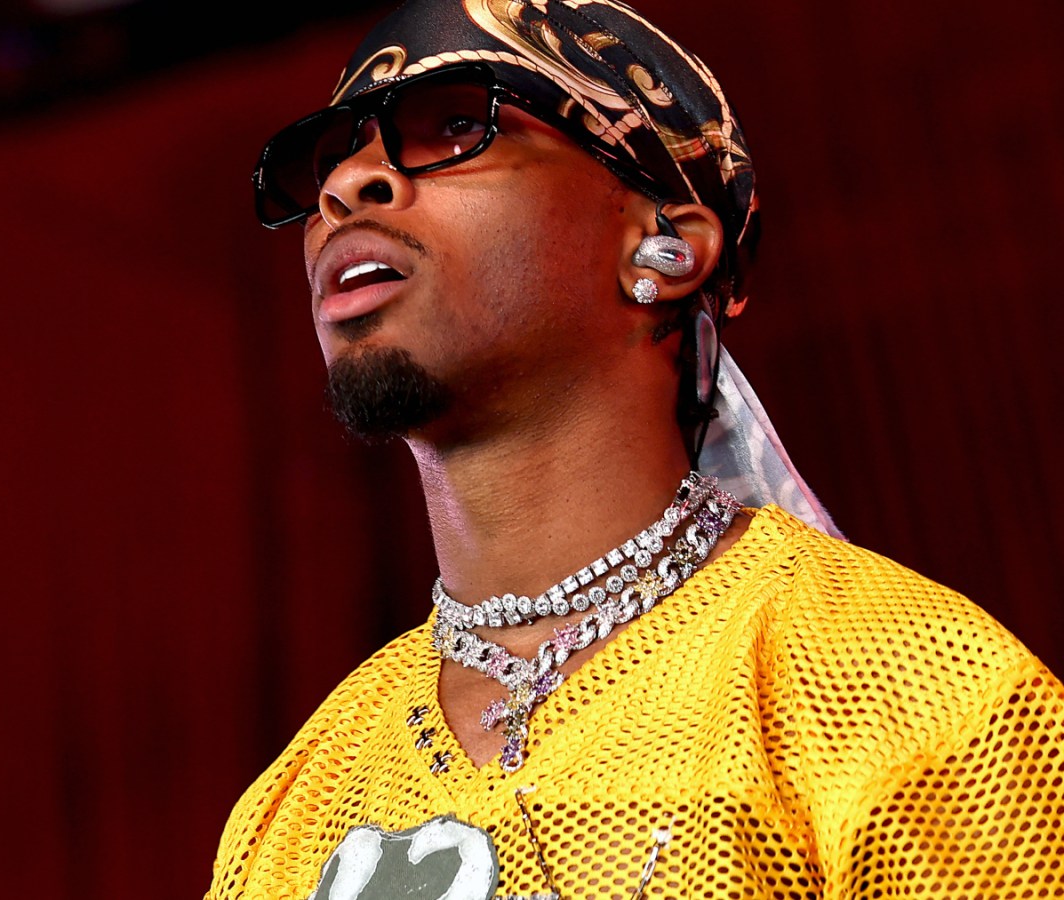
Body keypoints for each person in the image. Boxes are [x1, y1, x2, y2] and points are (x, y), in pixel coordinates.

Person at [206, 1, 1064, 898]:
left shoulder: (903, 689)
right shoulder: (295, 802)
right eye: (334, 158)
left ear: (665, 248)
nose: (348, 185)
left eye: (458, 126)